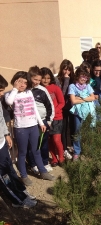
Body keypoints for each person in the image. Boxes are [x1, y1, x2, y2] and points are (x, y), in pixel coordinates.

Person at [5, 71, 55, 186]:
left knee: (36, 150)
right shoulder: (10, 94)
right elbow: (9, 101)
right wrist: (15, 88)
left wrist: (40, 123)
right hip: (21, 128)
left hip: (33, 126)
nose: (23, 84)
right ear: (15, 81)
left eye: (25, 82)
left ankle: (43, 171)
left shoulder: (29, 93)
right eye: (20, 82)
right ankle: (24, 176)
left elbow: (35, 109)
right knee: (22, 153)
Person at [0, 75, 37, 208]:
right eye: (0, 90)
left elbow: (1, 119)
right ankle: (17, 200)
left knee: (10, 169)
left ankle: (21, 192)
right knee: (3, 176)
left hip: (2, 142)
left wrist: (6, 134)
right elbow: (9, 101)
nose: (2, 94)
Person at [27, 66, 54, 174]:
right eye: (35, 80)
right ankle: (33, 164)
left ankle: (45, 161)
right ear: (30, 77)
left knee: (43, 143)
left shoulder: (42, 90)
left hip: (43, 121)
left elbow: (50, 106)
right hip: (30, 121)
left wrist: (49, 120)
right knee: (31, 144)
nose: (37, 82)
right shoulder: (26, 89)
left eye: (39, 80)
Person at [68, 67, 96, 161]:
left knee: (90, 131)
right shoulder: (72, 86)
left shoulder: (88, 86)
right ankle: (77, 152)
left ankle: (90, 149)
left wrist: (80, 98)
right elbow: (73, 101)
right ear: (77, 76)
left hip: (88, 112)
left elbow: (93, 98)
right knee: (77, 131)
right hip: (78, 113)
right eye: (82, 76)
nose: (84, 79)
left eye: (85, 77)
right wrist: (85, 98)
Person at [40, 67, 65, 167]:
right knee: (49, 140)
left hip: (57, 118)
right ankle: (54, 158)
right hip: (45, 119)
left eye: (48, 78)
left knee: (56, 140)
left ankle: (61, 158)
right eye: (43, 78)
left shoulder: (55, 88)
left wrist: (54, 112)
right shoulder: (39, 90)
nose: (46, 80)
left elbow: (62, 102)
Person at [55, 59, 75, 159]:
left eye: (68, 70)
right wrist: (66, 80)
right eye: (64, 69)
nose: (66, 72)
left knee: (71, 126)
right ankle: (63, 149)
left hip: (71, 107)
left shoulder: (73, 79)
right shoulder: (57, 79)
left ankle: (71, 146)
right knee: (63, 128)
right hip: (61, 108)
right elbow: (61, 95)